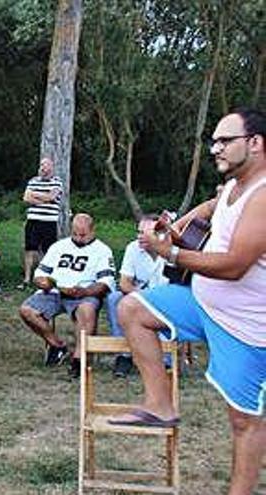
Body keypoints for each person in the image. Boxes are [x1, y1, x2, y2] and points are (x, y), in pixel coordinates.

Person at [109, 108, 266, 495]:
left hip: (244, 327)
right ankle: (160, 404)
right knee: (131, 308)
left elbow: (234, 266)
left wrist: (171, 254)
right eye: (213, 141)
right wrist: (179, 224)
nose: (216, 148)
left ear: (256, 143)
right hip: (203, 304)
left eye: (224, 140)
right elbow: (213, 207)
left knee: (245, 424)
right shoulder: (233, 185)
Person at [18, 213, 115, 378]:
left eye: (82, 234)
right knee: (26, 310)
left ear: (92, 231)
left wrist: (84, 291)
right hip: (55, 291)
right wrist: (44, 282)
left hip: (84, 293)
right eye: (75, 233)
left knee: (86, 310)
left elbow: (106, 282)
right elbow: (40, 273)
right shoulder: (58, 247)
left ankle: (78, 360)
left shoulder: (102, 251)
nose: (78, 238)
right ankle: (57, 345)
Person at [107, 214, 170, 377]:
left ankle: (166, 356)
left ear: (158, 234)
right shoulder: (132, 248)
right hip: (141, 297)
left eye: (144, 233)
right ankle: (124, 356)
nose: (139, 237)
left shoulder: (171, 250)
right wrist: (142, 296)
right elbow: (124, 283)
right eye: (138, 232)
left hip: (166, 300)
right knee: (114, 298)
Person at [20, 157, 63, 288]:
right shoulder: (33, 181)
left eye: (46, 165)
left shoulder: (57, 182)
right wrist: (44, 199)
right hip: (33, 220)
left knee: (48, 250)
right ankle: (27, 278)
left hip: (49, 221)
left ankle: (46, 276)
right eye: (41, 165)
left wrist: (35, 195)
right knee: (29, 248)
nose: (43, 168)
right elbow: (26, 198)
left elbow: (52, 197)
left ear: (51, 168)